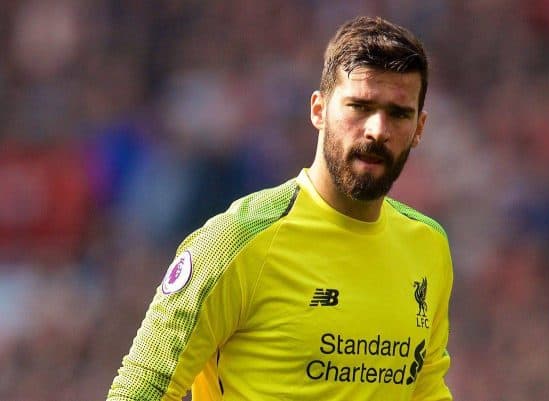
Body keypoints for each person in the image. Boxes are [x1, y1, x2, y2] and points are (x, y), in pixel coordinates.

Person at [107, 16, 453, 401]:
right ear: (319, 110)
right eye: (359, 106)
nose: (376, 129)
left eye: (398, 113)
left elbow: (426, 389)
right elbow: (143, 388)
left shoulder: (428, 246)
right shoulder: (237, 242)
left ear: (419, 127)